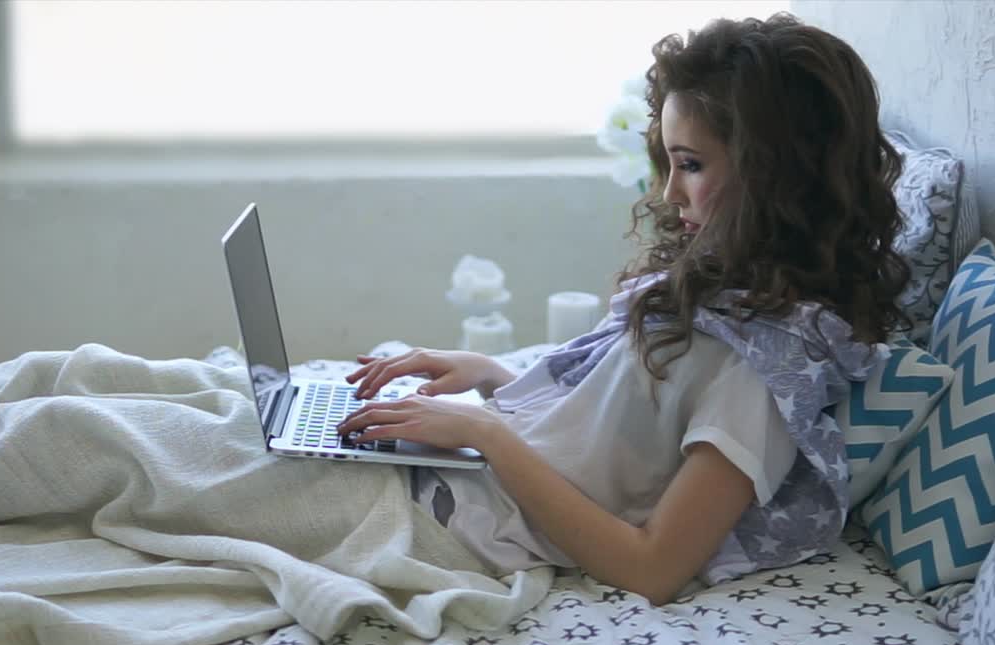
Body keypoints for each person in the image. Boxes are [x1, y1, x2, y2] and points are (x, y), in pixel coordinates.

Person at [336, 12, 911, 606]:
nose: (668, 194)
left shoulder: (763, 375)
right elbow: (616, 444)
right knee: (257, 423)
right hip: (452, 480)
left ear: (778, 177)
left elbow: (652, 569)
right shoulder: (731, 297)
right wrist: (490, 377)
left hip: (446, 522)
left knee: (243, 456)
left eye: (690, 164)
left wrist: (486, 435)